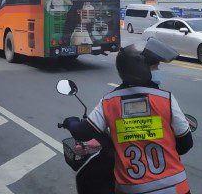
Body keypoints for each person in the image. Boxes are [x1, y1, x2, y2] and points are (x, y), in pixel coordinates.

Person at [63, 38, 193, 194]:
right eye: (155, 66)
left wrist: (71, 122)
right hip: (177, 188)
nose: (158, 70)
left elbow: (82, 132)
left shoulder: (110, 101)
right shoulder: (166, 99)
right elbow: (185, 145)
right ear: (140, 68)